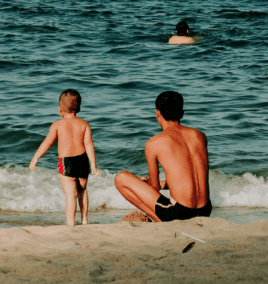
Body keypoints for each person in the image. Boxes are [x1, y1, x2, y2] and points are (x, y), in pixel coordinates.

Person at [114, 91, 211, 222]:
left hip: (179, 213)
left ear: (157, 113)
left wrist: (147, 184)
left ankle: (159, 221)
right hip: (205, 211)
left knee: (121, 178)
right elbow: (190, 177)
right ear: (181, 112)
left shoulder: (154, 143)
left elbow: (154, 189)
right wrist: (163, 184)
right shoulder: (200, 136)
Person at [29, 89, 100, 226]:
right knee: (82, 191)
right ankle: (84, 220)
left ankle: (71, 222)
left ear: (60, 109)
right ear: (78, 108)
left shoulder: (57, 125)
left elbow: (47, 143)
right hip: (83, 160)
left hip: (66, 162)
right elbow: (89, 145)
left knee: (70, 195)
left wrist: (36, 157)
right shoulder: (84, 124)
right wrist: (93, 165)